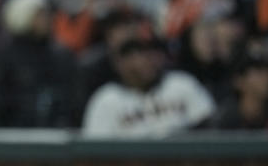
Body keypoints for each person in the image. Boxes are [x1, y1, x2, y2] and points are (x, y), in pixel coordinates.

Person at [81, 37, 216, 137]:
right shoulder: (106, 100)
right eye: (132, 55)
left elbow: (211, 126)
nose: (143, 60)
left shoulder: (180, 83)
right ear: (118, 64)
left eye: (148, 52)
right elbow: (96, 154)